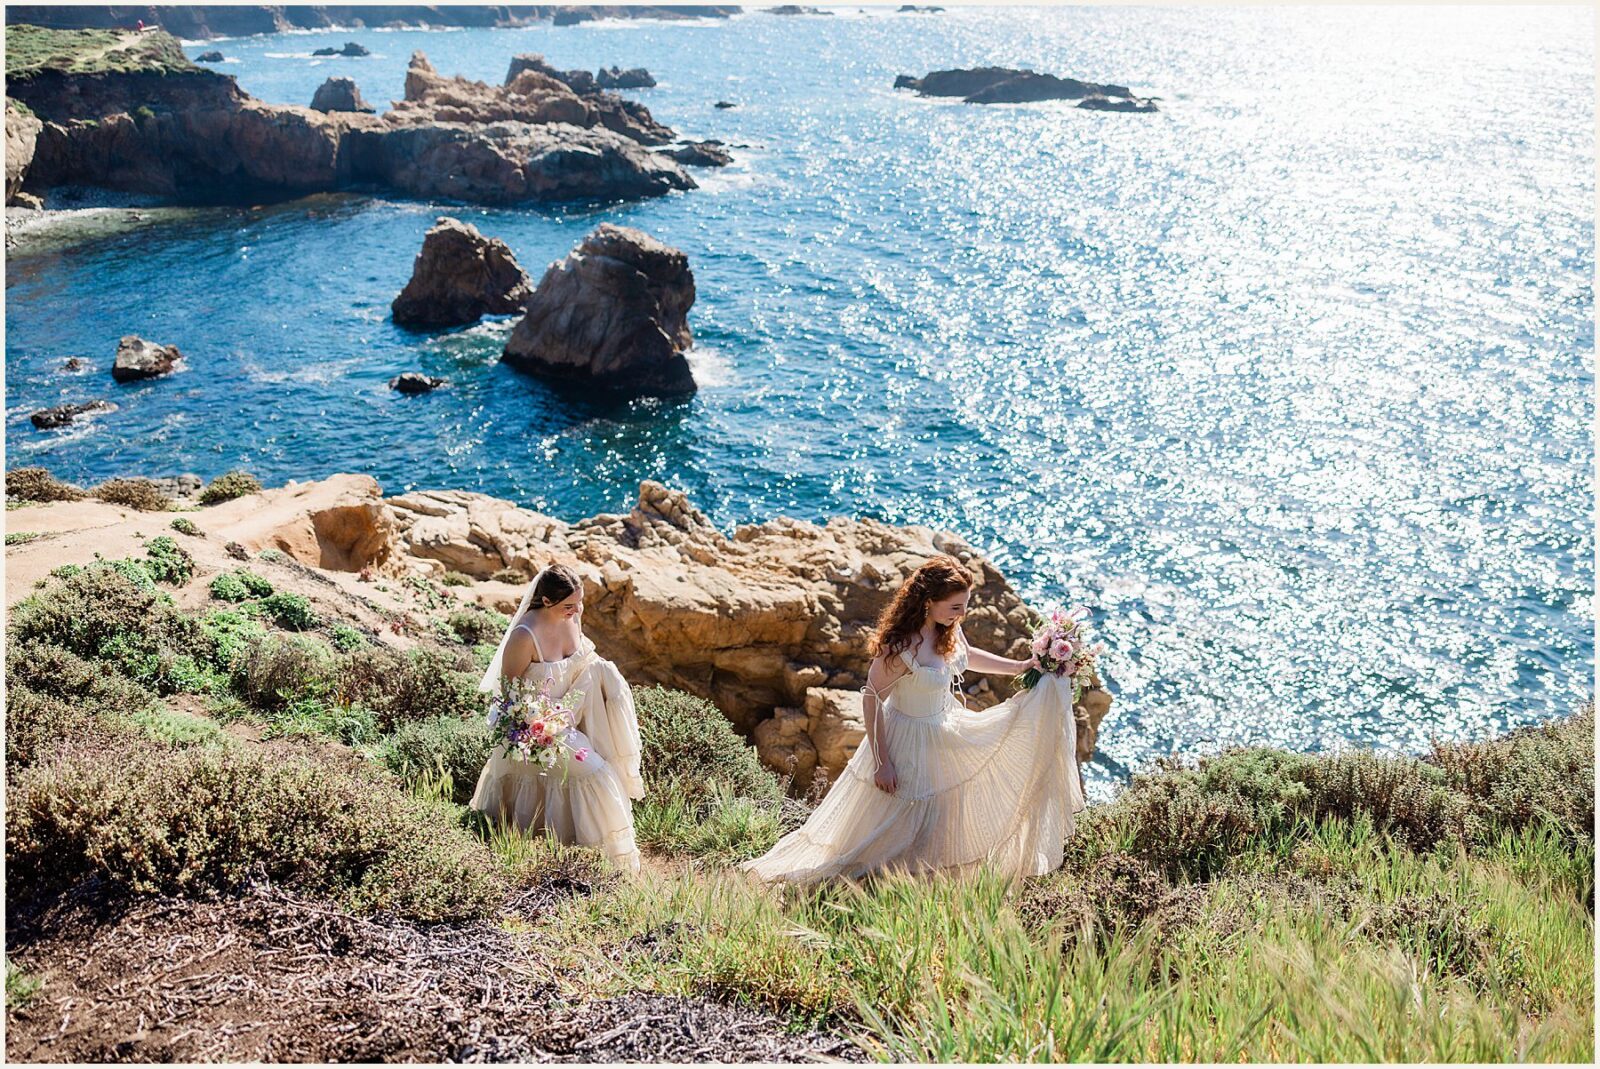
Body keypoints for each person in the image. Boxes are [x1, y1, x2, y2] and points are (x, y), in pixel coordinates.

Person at [741, 554, 1085, 884]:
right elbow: (872, 698)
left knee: (941, 817)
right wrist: (881, 761)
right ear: (927, 602)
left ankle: (920, 884)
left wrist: (1021, 666)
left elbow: (968, 656)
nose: (961, 613)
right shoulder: (900, 646)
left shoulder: (947, 628)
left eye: (965, 605)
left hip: (945, 729)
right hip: (906, 740)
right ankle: (875, 883)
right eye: (955, 607)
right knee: (893, 824)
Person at [468, 564, 645, 873]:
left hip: (570, 716)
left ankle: (592, 861)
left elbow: (583, 660)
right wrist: (538, 723)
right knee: (596, 773)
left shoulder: (571, 616)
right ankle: (602, 863)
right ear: (546, 601)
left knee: (597, 768)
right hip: (532, 731)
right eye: (569, 605)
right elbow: (509, 694)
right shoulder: (524, 637)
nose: (576, 610)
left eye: (579, 602)